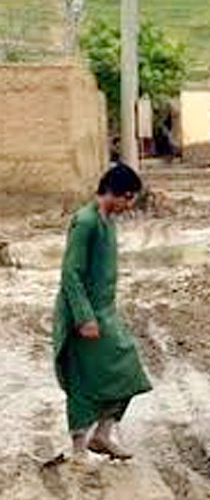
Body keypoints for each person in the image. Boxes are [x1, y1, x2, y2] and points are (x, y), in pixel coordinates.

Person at [53, 164, 153, 461]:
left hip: (105, 311)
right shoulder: (85, 222)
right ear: (114, 192)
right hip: (82, 311)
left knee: (127, 370)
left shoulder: (107, 220)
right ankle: (78, 449)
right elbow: (70, 273)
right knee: (83, 377)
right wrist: (84, 317)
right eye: (128, 198)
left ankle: (103, 434)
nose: (129, 205)